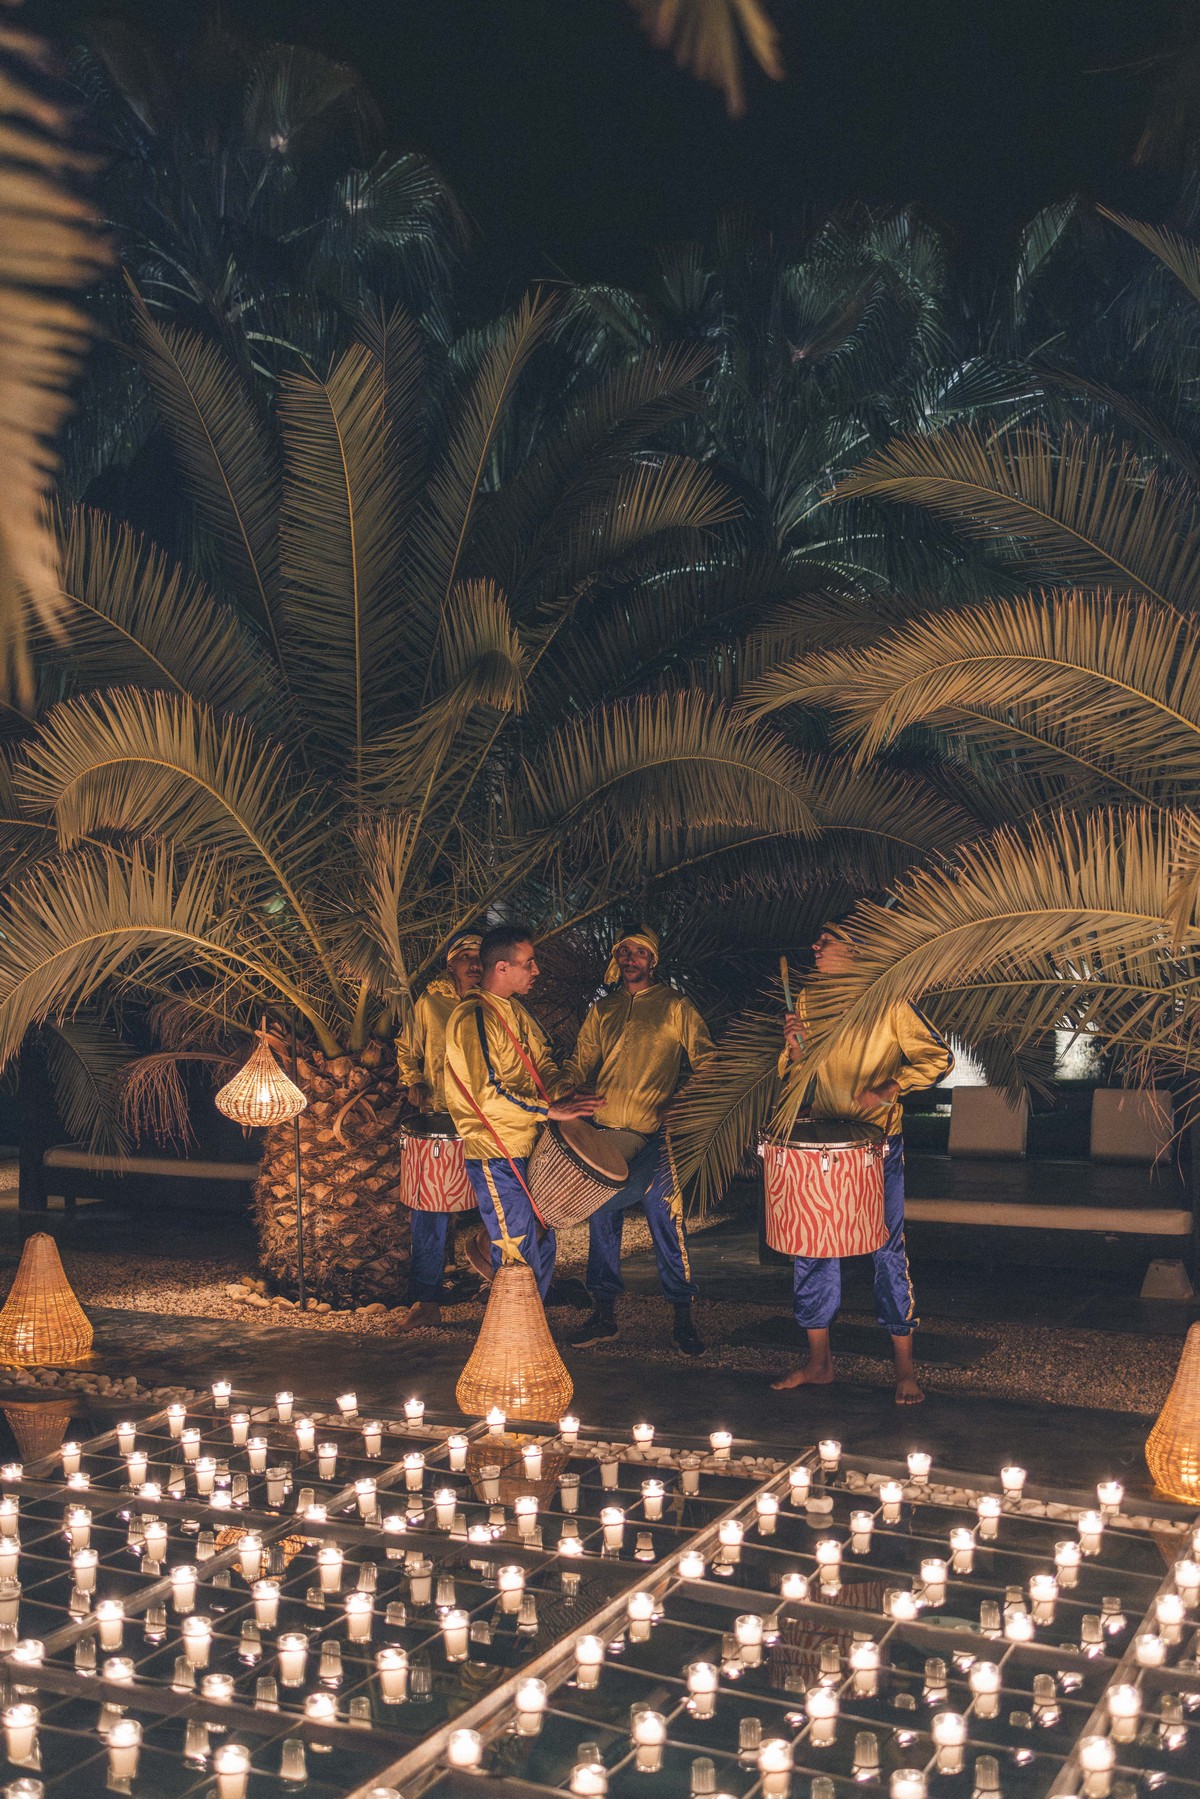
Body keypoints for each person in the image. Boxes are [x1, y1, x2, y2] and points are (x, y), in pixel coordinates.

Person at [774, 919, 953, 1405]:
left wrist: (890, 1087)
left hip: (877, 1146)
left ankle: (904, 1366)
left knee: (886, 1249)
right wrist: (794, 1048)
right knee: (812, 1244)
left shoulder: (889, 1000)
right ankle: (819, 1363)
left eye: (825, 940)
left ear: (852, 949)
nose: (815, 945)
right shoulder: (810, 999)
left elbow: (938, 1057)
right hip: (825, 1142)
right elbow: (801, 1069)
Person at [562, 928, 715, 1357]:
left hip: (656, 1137)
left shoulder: (674, 1006)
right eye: (624, 951)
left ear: (653, 959)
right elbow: (579, 1062)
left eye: (640, 952)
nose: (631, 958)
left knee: (667, 1222)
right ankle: (604, 1313)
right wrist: (562, 1091)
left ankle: (683, 1316)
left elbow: (708, 1062)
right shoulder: (603, 1009)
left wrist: (681, 1103)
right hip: (604, 1133)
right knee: (601, 1223)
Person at [443, 925, 598, 1300]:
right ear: (501, 968)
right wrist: (550, 1110)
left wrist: (563, 1093)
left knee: (541, 1242)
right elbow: (488, 1092)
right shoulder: (474, 1016)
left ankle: (532, 1334)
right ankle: (513, 1345)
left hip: (526, 1144)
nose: (536, 970)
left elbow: (540, 1061)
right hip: (496, 1150)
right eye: (528, 963)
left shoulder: (513, 1011)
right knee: (516, 1249)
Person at [394, 932, 489, 1330]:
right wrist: (411, 1078)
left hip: (487, 1121)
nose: (473, 963)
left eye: (479, 956)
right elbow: (406, 1047)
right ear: (450, 964)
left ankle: (502, 1292)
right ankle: (427, 1299)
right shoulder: (429, 1003)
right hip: (439, 1118)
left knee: (496, 1208)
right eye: (464, 956)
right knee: (429, 1214)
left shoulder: (494, 1004)